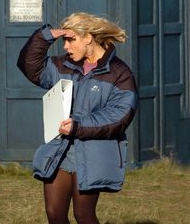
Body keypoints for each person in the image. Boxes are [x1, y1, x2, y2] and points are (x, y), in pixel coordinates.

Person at [17, 12, 138, 224]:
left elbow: (119, 117)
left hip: (93, 152)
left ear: (88, 38)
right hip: (60, 151)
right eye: (64, 40)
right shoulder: (62, 66)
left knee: (83, 215)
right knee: (54, 214)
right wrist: (47, 35)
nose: (65, 47)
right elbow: (29, 65)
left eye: (70, 40)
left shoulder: (120, 73)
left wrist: (78, 126)